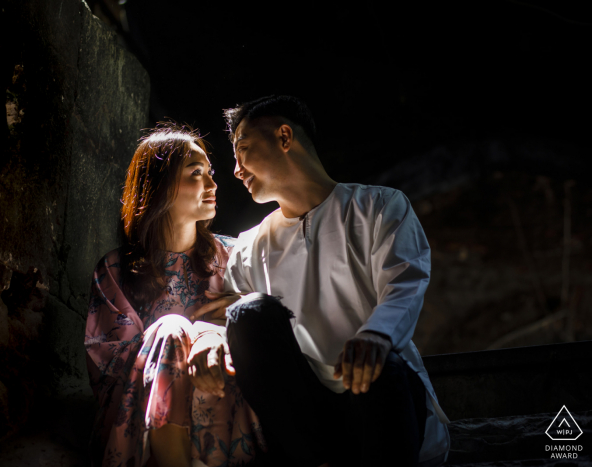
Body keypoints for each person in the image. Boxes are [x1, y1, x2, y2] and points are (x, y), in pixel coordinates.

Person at [192, 96, 451, 466]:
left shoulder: (380, 206)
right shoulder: (250, 244)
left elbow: (404, 284)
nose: (236, 169)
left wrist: (375, 336)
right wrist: (206, 336)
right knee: (249, 312)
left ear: (284, 137)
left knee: (381, 369)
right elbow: (223, 313)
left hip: (384, 406)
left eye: (244, 149)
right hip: (308, 423)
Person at [85, 124, 265, 467]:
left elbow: (265, 331)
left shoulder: (234, 256)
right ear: (160, 186)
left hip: (223, 393)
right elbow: (108, 365)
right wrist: (188, 332)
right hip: (142, 410)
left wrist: (223, 330)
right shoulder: (115, 269)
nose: (213, 185)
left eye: (209, 172)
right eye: (196, 173)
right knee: (170, 329)